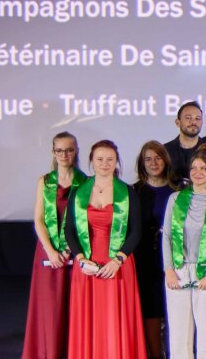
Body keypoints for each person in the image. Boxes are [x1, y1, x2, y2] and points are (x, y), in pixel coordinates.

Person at [65, 139, 147, 358]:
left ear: (116, 162)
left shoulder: (127, 192)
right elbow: (69, 230)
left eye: (110, 159)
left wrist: (118, 259)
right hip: (87, 267)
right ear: (91, 161)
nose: (104, 163)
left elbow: (136, 231)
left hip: (118, 264)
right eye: (99, 159)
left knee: (115, 318)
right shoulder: (79, 191)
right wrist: (81, 259)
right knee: (89, 319)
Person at [162, 147, 206, 359]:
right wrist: (169, 270)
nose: (198, 172)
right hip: (179, 270)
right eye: (194, 168)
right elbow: (166, 235)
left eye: (204, 168)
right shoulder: (176, 199)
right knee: (179, 333)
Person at [24, 131, 87, 359]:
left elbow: (84, 223)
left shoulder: (86, 182)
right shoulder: (45, 181)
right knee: (49, 310)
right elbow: (39, 219)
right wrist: (51, 251)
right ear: (53, 152)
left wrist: (70, 249)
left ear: (76, 151)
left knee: (73, 308)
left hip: (75, 253)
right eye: (59, 150)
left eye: (69, 149)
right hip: (47, 253)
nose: (64, 154)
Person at [133, 141, 177, 358]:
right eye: (148, 159)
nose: (153, 163)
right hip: (145, 260)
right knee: (150, 309)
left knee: (174, 310)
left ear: (165, 159)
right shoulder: (134, 192)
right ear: (142, 163)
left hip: (174, 259)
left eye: (158, 157)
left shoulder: (178, 190)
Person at [165, 102, 204, 185]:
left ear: (202, 123)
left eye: (198, 118)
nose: (193, 122)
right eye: (188, 118)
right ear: (177, 122)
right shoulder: (165, 151)